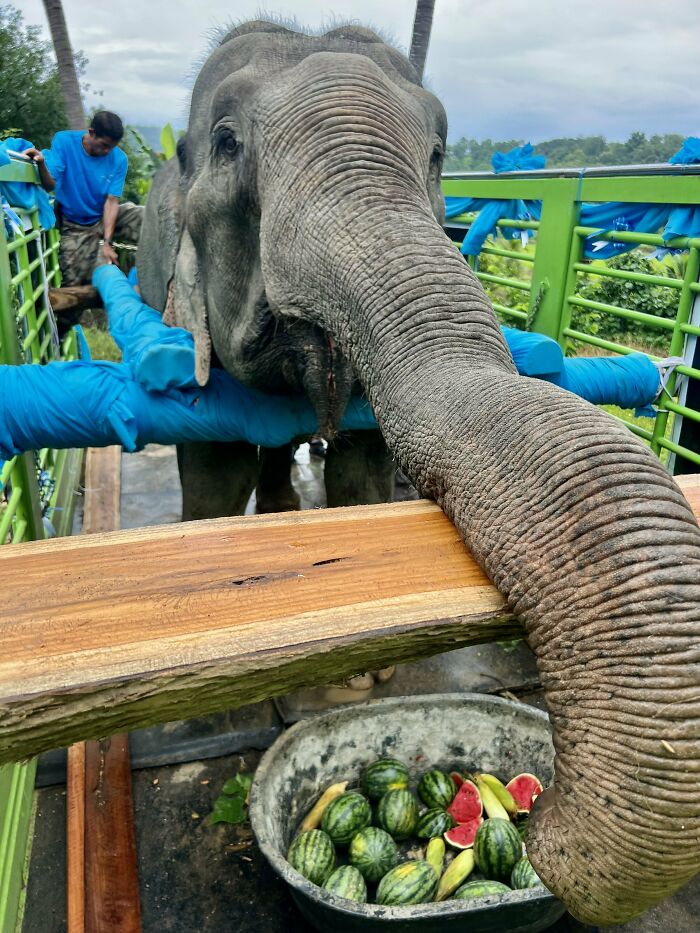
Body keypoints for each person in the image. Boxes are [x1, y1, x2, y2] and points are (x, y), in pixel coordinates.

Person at [22, 111, 143, 315]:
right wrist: (41, 164)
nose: (107, 151)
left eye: (112, 147)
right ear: (91, 132)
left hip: (104, 215)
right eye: (104, 145)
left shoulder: (118, 159)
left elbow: (112, 202)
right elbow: (51, 184)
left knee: (142, 215)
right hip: (75, 224)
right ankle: (62, 328)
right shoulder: (64, 142)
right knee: (73, 283)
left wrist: (107, 243)